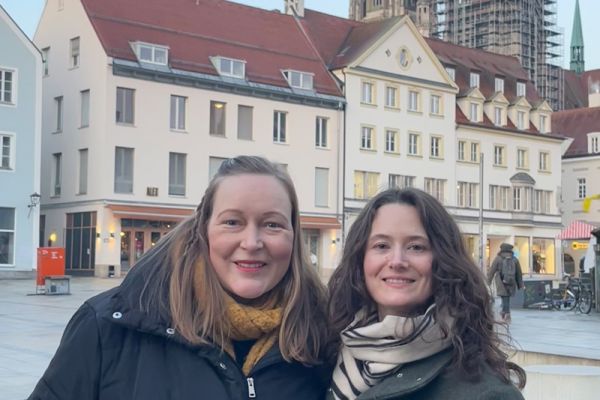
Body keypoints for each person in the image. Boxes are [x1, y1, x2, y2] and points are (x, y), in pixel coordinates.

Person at [29, 156, 329, 400]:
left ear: (294, 237)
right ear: (204, 231)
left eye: (272, 225)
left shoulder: (321, 337)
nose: (252, 242)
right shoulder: (109, 326)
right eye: (232, 222)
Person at [327, 188, 525, 400]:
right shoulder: (329, 354)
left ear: (444, 259)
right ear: (360, 259)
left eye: (416, 247)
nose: (397, 261)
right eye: (382, 245)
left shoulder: (487, 393)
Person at [488, 243, 524, 323]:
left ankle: (506, 314)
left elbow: (491, 271)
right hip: (512, 281)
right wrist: (520, 284)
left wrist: (488, 282)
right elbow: (519, 273)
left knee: (505, 298)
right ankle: (505, 313)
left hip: (500, 282)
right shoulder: (514, 259)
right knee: (506, 298)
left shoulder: (498, 258)